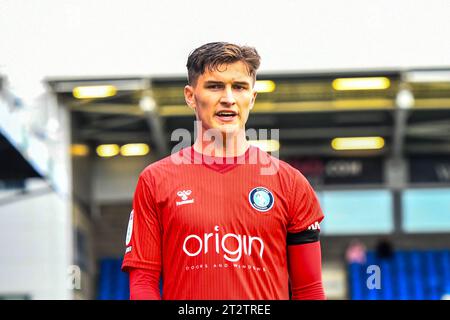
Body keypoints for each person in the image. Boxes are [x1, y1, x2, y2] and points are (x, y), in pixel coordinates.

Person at [121, 42, 325, 300]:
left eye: (239, 87)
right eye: (215, 86)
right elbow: (143, 284)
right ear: (190, 95)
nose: (228, 98)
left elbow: (310, 291)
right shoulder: (155, 180)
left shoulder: (290, 182)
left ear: (252, 98)